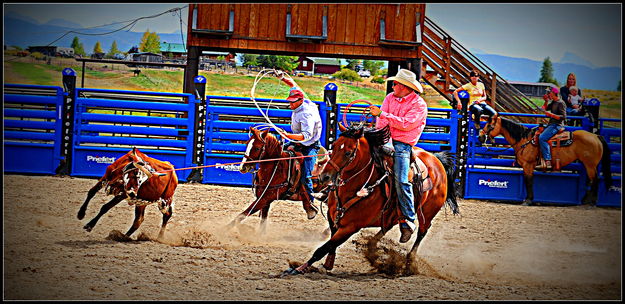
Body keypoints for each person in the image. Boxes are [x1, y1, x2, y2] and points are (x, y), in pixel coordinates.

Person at [368, 69, 427, 243]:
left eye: (395, 83)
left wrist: (381, 114)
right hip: (385, 138)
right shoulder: (389, 98)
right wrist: (377, 133)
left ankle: (408, 218)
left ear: (405, 87)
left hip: (403, 143)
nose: (393, 85)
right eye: (393, 83)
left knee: (401, 179)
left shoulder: (419, 104)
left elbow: (407, 125)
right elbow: (381, 122)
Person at [273, 71, 323, 220]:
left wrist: (287, 135)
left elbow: (305, 136)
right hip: (296, 140)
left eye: (292, 102)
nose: (290, 103)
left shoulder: (307, 114)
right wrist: (282, 77)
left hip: (310, 145)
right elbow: (292, 83)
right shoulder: (304, 100)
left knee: (306, 175)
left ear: (299, 101)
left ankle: (310, 204)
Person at [536, 87, 567, 172]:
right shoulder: (553, 102)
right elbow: (544, 109)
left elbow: (563, 117)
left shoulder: (561, 103)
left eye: (549, 93)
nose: (548, 94)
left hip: (557, 125)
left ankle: (548, 160)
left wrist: (551, 115)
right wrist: (546, 101)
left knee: (542, 138)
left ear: (554, 93)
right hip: (552, 124)